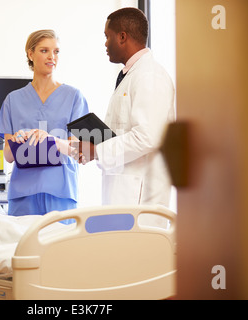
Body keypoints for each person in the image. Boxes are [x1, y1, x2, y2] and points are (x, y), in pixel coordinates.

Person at [75, 8, 175, 227]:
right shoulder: (131, 75)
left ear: (122, 36)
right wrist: (94, 148)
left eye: (107, 36)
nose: (105, 44)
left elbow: (147, 137)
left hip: (140, 201)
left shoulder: (150, 76)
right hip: (125, 195)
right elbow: (124, 132)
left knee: (138, 258)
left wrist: (98, 150)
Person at [0, 29, 89, 219]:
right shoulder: (13, 100)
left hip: (60, 192)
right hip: (23, 193)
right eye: (44, 50)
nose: (52, 57)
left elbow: (79, 151)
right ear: (30, 54)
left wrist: (51, 139)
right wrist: (18, 141)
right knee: (23, 246)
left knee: (59, 246)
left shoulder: (74, 97)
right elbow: (8, 156)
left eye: (56, 52)